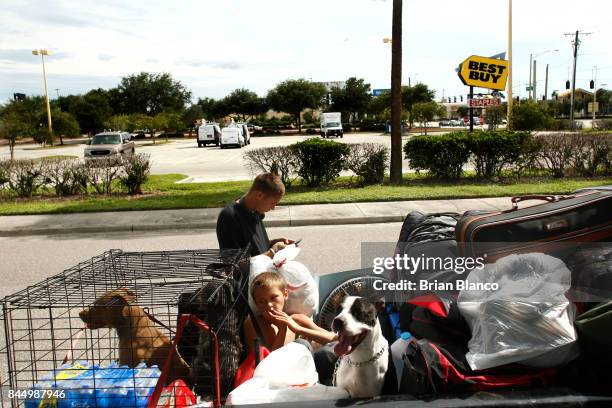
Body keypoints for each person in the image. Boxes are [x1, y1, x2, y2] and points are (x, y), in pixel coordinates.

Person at [243, 272, 337, 356]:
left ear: (285, 295)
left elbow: (335, 340)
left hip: (309, 368)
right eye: (262, 302)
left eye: (273, 298)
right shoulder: (253, 324)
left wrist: (299, 329)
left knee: (324, 352)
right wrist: (282, 329)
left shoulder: (297, 320)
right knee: (301, 344)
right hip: (276, 373)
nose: (269, 305)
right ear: (256, 304)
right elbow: (264, 365)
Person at [216, 172, 292, 257]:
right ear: (260, 195)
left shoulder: (255, 211)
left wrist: (272, 243)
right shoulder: (229, 217)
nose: (273, 208)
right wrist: (272, 252)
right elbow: (234, 263)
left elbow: (253, 249)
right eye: (273, 203)